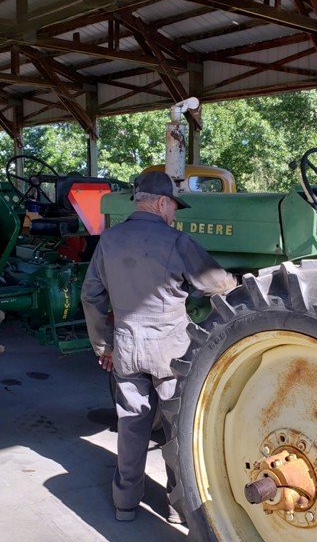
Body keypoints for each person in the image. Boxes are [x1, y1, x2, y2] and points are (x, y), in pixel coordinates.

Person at [81, 170, 237, 523]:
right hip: (170, 351)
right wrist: (241, 282)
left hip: (125, 346)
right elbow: (216, 284)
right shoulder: (175, 242)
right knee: (176, 430)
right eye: (173, 208)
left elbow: (91, 295)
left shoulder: (109, 240)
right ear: (162, 202)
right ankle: (177, 508)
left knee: (132, 425)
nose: (173, 216)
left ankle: (124, 503)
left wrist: (103, 346)